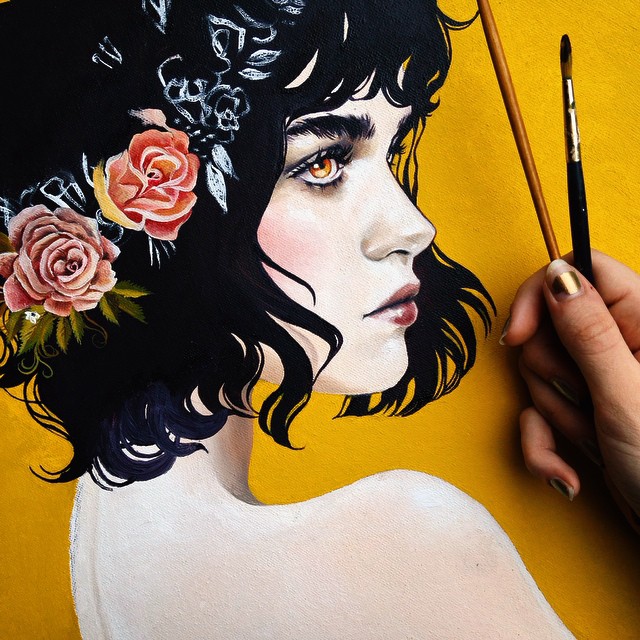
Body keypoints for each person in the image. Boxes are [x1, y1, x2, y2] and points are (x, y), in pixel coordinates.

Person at [0, 0, 636, 638]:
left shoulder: (105, 553)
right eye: (322, 164)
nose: (415, 228)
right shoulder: (409, 552)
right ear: (159, 215)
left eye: (395, 149)